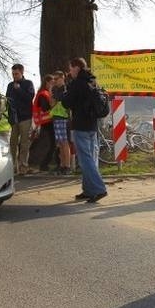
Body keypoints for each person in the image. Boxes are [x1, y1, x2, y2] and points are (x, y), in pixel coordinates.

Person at [61, 57, 108, 203]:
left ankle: (98, 189)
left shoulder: (77, 84)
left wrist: (64, 91)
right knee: (91, 158)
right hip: (93, 125)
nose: (69, 71)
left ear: (77, 68)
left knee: (85, 159)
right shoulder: (92, 81)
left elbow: (66, 103)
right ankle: (88, 190)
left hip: (80, 125)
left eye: (70, 68)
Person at [6, 63, 35, 175]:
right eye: (13, 74)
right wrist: (9, 116)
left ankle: (23, 167)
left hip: (25, 117)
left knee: (24, 143)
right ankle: (13, 167)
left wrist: (19, 90)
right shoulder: (9, 85)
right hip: (14, 118)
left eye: (16, 74)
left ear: (22, 73)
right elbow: (8, 100)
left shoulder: (28, 83)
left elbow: (29, 98)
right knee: (12, 143)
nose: (14, 76)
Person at [28, 74, 57, 172]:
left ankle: (45, 164)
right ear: (47, 82)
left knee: (51, 143)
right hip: (46, 121)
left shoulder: (43, 93)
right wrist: (53, 104)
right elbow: (45, 108)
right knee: (52, 143)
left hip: (45, 121)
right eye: (52, 83)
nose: (53, 85)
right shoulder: (44, 94)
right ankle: (44, 164)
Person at [51, 71, 72, 175]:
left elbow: (59, 100)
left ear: (62, 78)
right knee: (59, 143)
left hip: (63, 117)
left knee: (65, 142)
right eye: (53, 79)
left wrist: (55, 99)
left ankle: (67, 166)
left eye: (56, 79)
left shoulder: (65, 89)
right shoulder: (54, 89)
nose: (54, 81)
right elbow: (52, 103)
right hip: (56, 116)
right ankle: (62, 165)